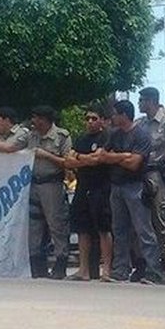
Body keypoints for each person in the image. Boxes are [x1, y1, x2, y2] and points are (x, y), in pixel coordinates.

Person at [98, 100, 165, 284]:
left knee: (143, 230)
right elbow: (102, 156)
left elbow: (134, 163)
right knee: (119, 230)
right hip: (117, 186)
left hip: (135, 186)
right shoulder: (114, 134)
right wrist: (122, 156)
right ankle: (121, 269)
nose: (113, 117)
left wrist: (115, 157)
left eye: (115, 114)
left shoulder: (141, 135)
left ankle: (154, 271)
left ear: (124, 115)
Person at [65, 105, 113, 281]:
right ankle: (83, 269)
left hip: (101, 187)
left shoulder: (107, 136)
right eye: (88, 119)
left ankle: (106, 269)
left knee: (103, 228)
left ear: (102, 120)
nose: (90, 122)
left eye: (94, 118)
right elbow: (68, 162)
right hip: (82, 186)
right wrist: (84, 159)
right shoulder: (81, 139)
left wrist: (79, 158)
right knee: (82, 228)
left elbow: (98, 159)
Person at [25, 105, 72, 279]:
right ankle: (37, 264)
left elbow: (68, 162)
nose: (34, 121)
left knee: (56, 224)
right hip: (33, 184)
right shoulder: (31, 136)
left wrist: (46, 155)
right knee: (34, 225)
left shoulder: (61, 136)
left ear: (45, 120)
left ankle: (60, 262)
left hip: (52, 184)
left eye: (37, 118)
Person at [135, 87, 165, 278]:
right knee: (142, 221)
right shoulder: (140, 124)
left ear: (151, 101)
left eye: (142, 100)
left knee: (161, 220)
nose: (139, 103)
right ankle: (144, 263)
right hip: (141, 174)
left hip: (160, 176)